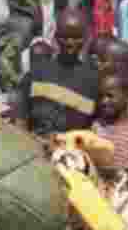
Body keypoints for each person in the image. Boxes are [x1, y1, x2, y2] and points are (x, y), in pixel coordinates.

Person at [20, 8, 99, 137]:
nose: (70, 43)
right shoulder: (37, 73)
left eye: (76, 37)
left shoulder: (92, 81)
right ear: (56, 36)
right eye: (65, 37)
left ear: (86, 39)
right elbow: (21, 118)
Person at [92, 67, 128, 178]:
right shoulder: (97, 126)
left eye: (110, 96)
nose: (104, 101)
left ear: (127, 96)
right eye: (101, 96)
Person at [0, 0, 42, 92]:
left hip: (20, 30)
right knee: (14, 57)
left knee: (8, 58)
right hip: (21, 29)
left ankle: (16, 81)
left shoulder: (18, 0)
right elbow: (4, 59)